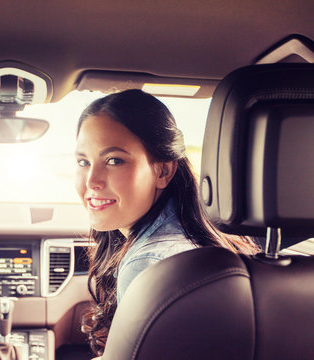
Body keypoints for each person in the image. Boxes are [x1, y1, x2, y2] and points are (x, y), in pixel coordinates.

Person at [74, 89, 259, 356]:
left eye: (114, 160)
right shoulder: (193, 238)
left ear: (163, 171)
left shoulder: (148, 265)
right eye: (83, 162)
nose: (92, 181)